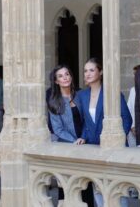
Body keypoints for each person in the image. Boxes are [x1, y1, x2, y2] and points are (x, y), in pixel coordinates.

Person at [75, 58, 132, 207]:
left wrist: (116, 139)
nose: (87, 74)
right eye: (85, 71)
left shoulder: (111, 93)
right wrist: (83, 137)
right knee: (98, 189)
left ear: (100, 72)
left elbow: (127, 119)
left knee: (117, 190)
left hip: (114, 148)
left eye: (91, 70)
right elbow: (86, 122)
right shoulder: (82, 95)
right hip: (94, 148)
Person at [47, 64, 94, 206]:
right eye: (60, 76)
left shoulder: (82, 95)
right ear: (56, 81)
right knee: (67, 185)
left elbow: (88, 119)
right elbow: (57, 129)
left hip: (86, 144)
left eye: (67, 74)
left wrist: (84, 138)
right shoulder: (54, 102)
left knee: (87, 184)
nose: (65, 78)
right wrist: (75, 141)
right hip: (68, 147)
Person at [127, 64, 140, 147]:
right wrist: (132, 126)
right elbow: (129, 110)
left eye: (136, 74)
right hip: (133, 129)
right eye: (134, 75)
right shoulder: (133, 90)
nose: (134, 77)